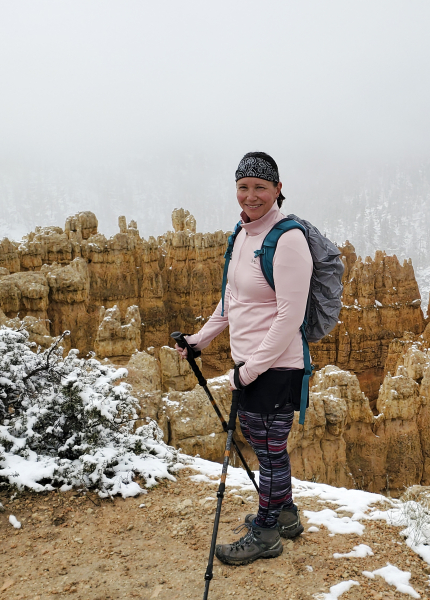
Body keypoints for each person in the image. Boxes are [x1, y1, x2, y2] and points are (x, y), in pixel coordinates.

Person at [177, 151, 312, 566]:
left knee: (268, 452)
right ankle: (284, 514)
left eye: (260, 187)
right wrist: (201, 339)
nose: (250, 195)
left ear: (277, 189)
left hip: (276, 368)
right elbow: (231, 300)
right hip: (252, 367)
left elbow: (291, 316)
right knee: (268, 446)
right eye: (243, 186)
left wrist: (251, 370)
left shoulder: (288, 239)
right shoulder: (242, 234)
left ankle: (267, 532)